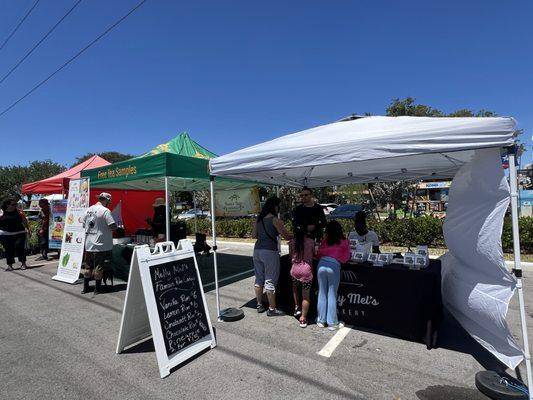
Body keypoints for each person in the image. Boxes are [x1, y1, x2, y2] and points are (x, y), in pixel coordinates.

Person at [252, 196, 292, 316]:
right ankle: (272, 309)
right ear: (275, 206)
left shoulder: (258, 219)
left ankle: (259, 304)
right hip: (269, 251)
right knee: (270, 279)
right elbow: (286, 236)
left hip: (257, 250)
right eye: (278, 206)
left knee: (259, 278)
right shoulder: (275, 220)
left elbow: (254, 235)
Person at [316, 220, 350, 330]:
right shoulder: (344, 241)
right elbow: (346, 257)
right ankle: (332, 323)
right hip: (334, 266)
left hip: (321, 265)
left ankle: (321, 320)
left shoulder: (325, 241)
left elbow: (318, 253)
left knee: (322, 292)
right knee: (332, 294)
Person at [82, 192, 117, 295]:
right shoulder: (105, 211)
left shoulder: (88, 210)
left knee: (87, 266)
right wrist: (117, 227)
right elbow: (112, 226)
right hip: (101, 244)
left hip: (89, 243)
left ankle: (85, 288)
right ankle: (97, 289)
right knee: (99, 267)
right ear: (107, 200)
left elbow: (84, 224)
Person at [289, 225, 315, 328]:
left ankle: (296, 307)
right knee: (306, 297)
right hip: (306, 272)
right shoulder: (311, 242)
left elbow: (291, 255)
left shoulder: (292, 242)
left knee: (295, 288)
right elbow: (314, 254)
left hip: (294, 270)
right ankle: (303, 318)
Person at [0, 198, 30, 271]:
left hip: (19, 233)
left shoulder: (19, 212)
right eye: (13, 204)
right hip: (5, 234)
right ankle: (10, 265)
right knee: (8, 249)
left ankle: (23, 264)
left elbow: (25, 221)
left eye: (15, 204)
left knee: (19, 247)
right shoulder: (1, 212)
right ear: (7, 205)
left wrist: (28, 229)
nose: (15, 206)